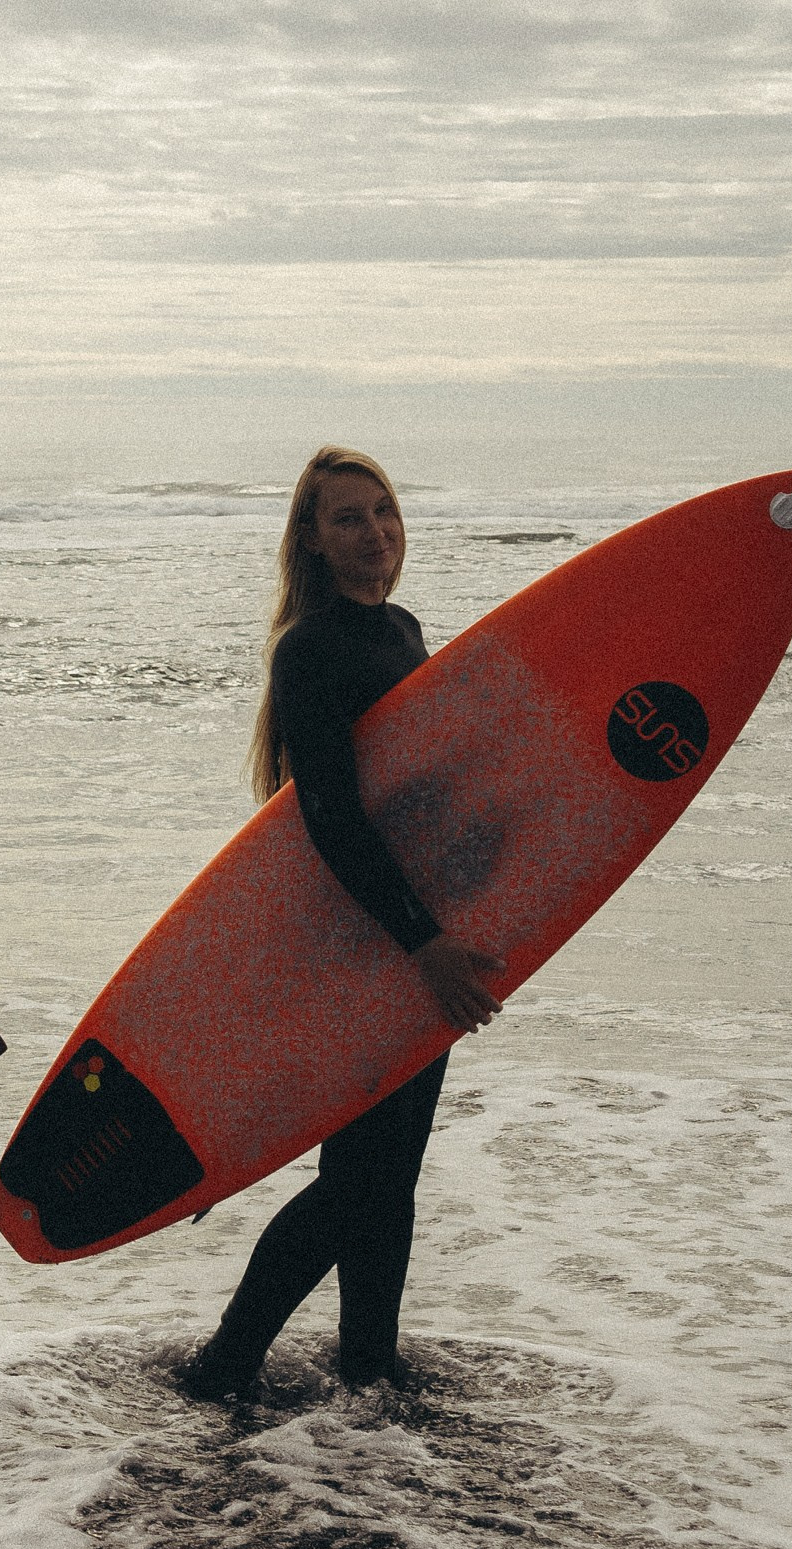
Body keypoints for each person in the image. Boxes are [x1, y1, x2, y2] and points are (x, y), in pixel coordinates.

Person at [178, 446, 503, 1401]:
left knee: (390, 1172)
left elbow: (421, 790)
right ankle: (226, 1361)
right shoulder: (310, 650)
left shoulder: (402, 629)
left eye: (384, 512)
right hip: (363, 940)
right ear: (312, 539)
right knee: (359, 1178)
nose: (375, 534)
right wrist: (424, 943)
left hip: (415, 932)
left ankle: (368, 1357)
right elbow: (332, 817)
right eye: (349, 518)